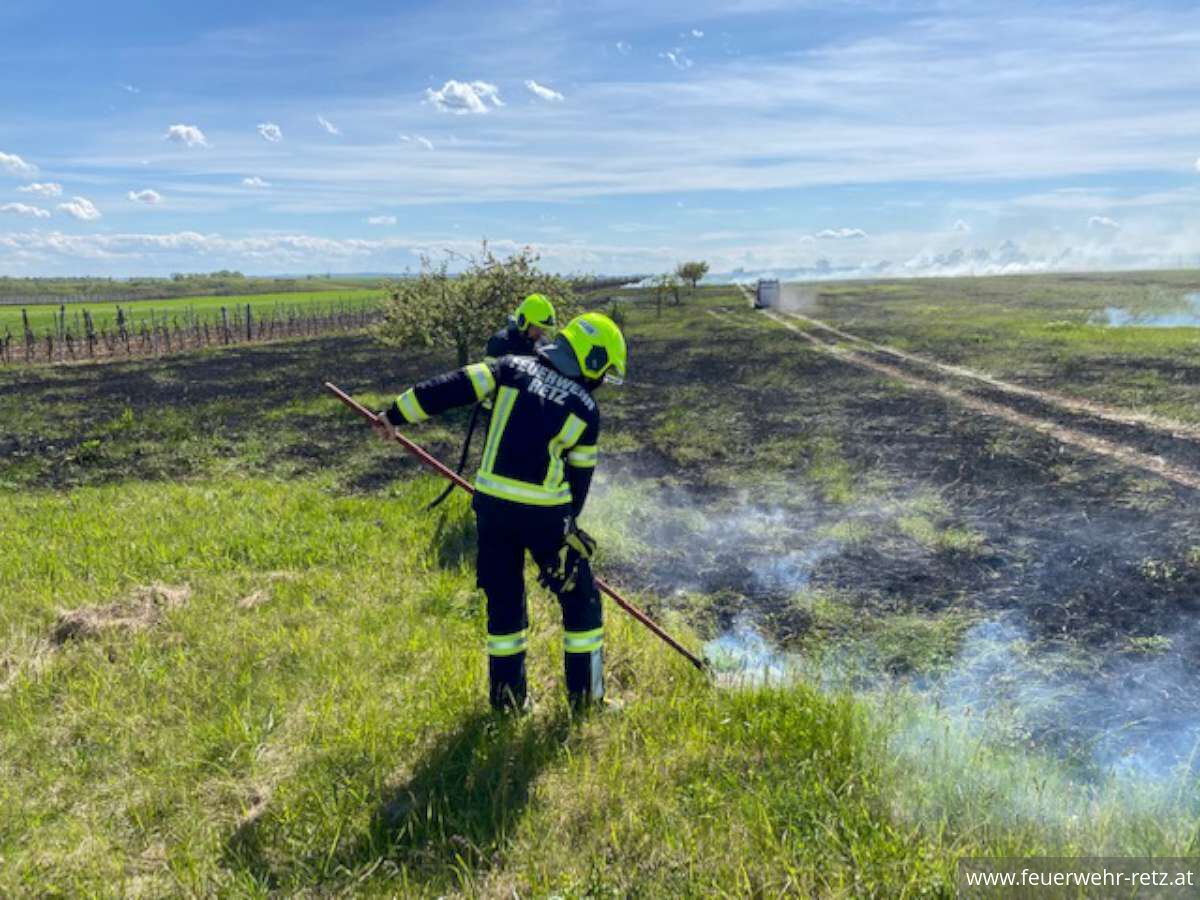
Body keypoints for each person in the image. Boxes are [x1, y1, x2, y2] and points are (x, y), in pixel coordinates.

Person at [376, 313, 627, 712]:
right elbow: (579, 481)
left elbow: (451, 387)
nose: (601, 383)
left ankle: (508, 704)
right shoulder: (586, 409)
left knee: (505, 605)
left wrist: (395, 414)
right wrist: (569, 528)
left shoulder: (509, 367)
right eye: (605, 372)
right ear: (591, 361)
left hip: (492, 512)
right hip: (546, 518)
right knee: (581, 602)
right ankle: (587, 701)